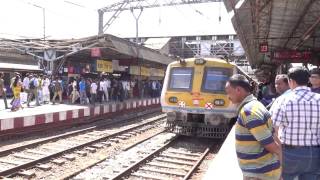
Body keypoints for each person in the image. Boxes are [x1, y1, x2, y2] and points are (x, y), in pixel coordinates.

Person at [225, 74, 281, 180]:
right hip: (260, 171)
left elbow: (271, 145)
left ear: (238, 90)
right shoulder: (255, 105)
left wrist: (282, 168)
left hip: (260, 173)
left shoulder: (249, 111)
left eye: (229, 92)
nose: (228, 96)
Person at [271, 67, 320, 180]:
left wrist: (279, 155)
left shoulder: (283, 100)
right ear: (308, 80)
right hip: (315, 154)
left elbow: (273, 131)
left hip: (289, 154)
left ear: (290, 81)